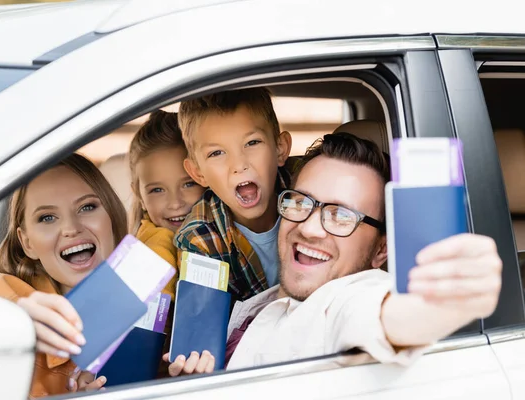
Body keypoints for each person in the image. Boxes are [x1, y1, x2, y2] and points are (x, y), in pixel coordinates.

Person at [164, 132, 502, 375]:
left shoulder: (349, 297)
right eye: (301, 202)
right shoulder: (261, 301)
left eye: (341, 216)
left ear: (381, 249)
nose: (310, 228)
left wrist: (442, 300)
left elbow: (390, 315)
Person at [0, 153, 128, 398]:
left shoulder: (151, 303)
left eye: (87, 207)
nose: (71, 228)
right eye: (47, 217)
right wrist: (15, 320)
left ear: (112, 216)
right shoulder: (6, 295)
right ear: (27, 243)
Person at [175, 88, 298, 302]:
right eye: (216, 153)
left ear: (280, 148)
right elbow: (206, 327)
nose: (239, 165)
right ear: (198, 172)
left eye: (252, 143)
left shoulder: (310, 196)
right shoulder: (200, 240)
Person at [128, 110, 206, 299]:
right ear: (140, 196)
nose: (175, 203)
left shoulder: (218, 234)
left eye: (188, 184)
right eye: (157, 190)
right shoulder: (153, 251)